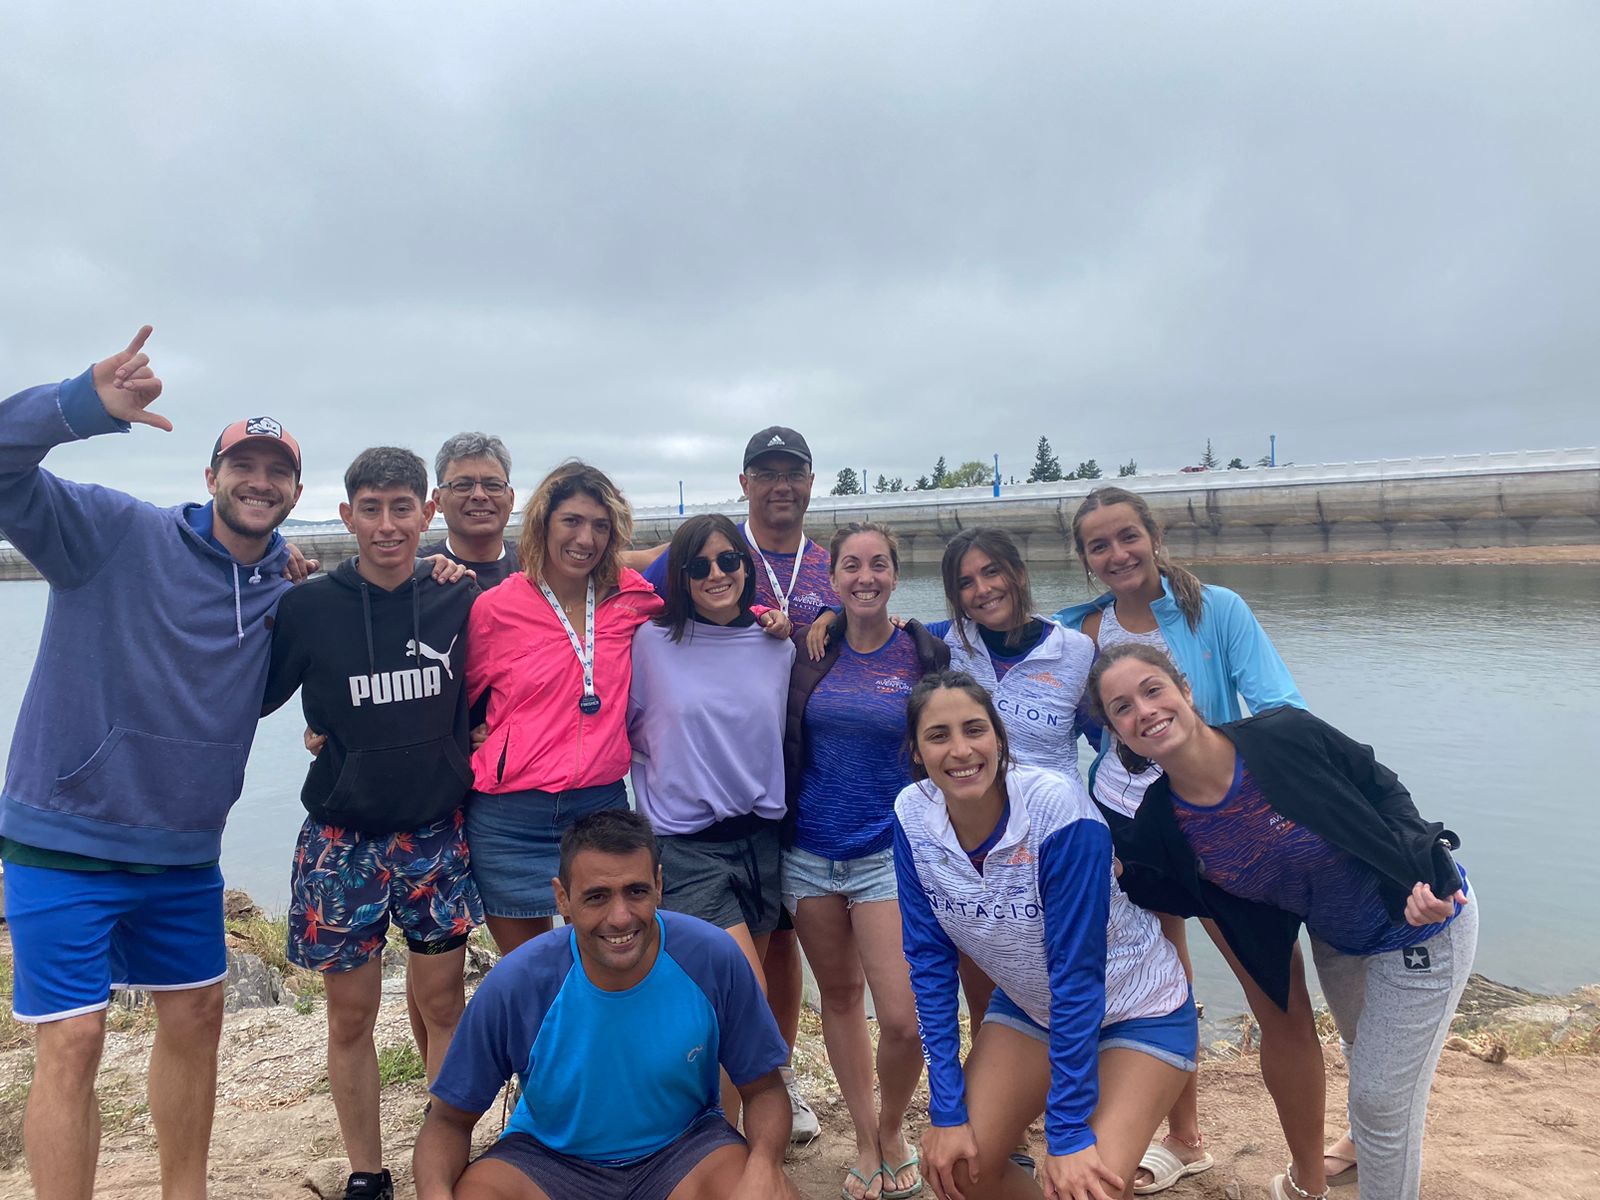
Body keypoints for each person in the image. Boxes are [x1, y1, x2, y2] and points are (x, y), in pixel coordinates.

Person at [0, 328, 303, 1200]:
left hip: (182, 850)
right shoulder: (113, 532)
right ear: (210, 476)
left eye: (276, 471)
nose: (258, 481)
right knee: (73, 1038)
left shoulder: (283, 588)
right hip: (64, 836)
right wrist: (78, 405)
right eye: (242, 465)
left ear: (294, 492)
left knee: (199, 1015)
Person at [1090, 644, 1477, 1200]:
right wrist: (1106, 865)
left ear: (1185, 690)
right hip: (1339, 943)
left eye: (1153, 690)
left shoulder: (1284, 736)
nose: (1144, 711)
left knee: (1380, 1100)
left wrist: (1427, 874)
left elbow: (1380, 786)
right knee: (1363, 1057)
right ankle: (1363, 1150)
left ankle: (1375, 1156)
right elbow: (1164, 886)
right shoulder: (1160, 818)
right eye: (1122, 707)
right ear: (1116, 733)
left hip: (1421, 929)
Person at [1055, 485, 1304, 1194]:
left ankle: (1309, 1171)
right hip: (1129, 830)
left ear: (1154, 537)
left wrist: (1281, 799)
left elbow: (1281, 707)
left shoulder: (1215, 610)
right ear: (1085, 558)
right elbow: (1028, 699)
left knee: (1276, 996)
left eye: (1127, 536)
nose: (1117, 554)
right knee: (1161, 984)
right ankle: (1186, 1137)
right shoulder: (1078, 633)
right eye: (1099, 545)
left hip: (1221, 826)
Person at [262, 446, 484, 1200]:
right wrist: (265, 573)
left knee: (444, 1005)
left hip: (434, 836)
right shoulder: (308, 606)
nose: (387, 525)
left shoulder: (460, 595)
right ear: (347, 514)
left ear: (427, 513)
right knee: (350, 1016)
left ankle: (444, 1157)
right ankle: (367, 1172)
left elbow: (498, 688)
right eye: (371, 509)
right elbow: (249, 693)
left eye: (402, 508)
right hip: (341, 842)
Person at [894, 671, 1196, 1200]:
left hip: (1139, 1007)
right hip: (1034, 1009)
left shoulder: (1057, 811)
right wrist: (945, 1112)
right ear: (917, 752)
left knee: (1089, 1187)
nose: (960, 750)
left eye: (975, 729)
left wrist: (1067, 1131)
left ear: (999, 739)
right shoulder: (912, 814)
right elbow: (929, 966)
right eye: (938, 736)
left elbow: (1077, 975)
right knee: (959, 1171)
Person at [413, 809, 800, 1200]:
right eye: (596, 897)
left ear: (659, 885)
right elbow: (448, 1121)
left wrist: (765, 1165)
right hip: (548, 1160)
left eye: (636, 891)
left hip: (684, 1150)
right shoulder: (518, 984)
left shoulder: (712, 958)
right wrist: (435, 1193)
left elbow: (764, 1089)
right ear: (563, 898)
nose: (620, 917)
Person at [639, 423, 838, 1144]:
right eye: (700, 566)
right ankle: (723, 1135)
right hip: (689, 843)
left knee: (773, 965)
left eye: (728, 562)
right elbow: (606, 581)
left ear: (810, 481)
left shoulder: (779, 635)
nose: (717, 572)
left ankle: (765, 1094)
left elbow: (868, 619)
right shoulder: (648, 644)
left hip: (774, 828)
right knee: (736, 988)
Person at [783, 522, 946, 1200]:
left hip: (887, 853)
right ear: (832, 578)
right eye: (851, 565)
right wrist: (819, 618)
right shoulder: (810, 647)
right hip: (809, 853)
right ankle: (864, 1136)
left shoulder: (922, 650)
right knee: (842, 998)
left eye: (878, 564)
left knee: (903, 1018)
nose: (865, 577)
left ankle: (893, 1126)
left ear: (895, 574)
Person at [464, 461, 663, 954]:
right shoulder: (495, 607)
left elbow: (708, 605)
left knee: (605, 962)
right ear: (543, 524)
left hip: (598, 808)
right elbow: (455, 698)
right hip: (509, 819)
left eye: (600, 525)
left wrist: (766, 617)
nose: (585, 538)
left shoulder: (632, 598)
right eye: (571, 521)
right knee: (530, 972)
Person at [420, 431, 520, 590]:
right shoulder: (416, 574)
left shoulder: (539, 569)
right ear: (438, 500)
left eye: (493, 485)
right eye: (462, 485)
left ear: (511, 499)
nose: (479, 495)